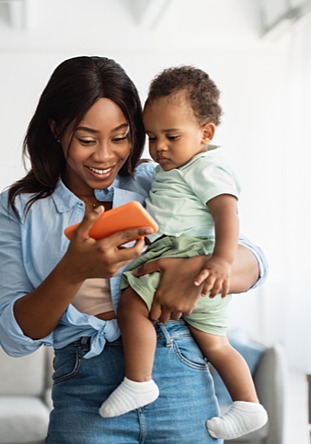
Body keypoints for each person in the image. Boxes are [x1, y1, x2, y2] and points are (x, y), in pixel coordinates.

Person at [0, 56, 268, 443]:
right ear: (55, 129)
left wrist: (194, 274)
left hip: (180, 369)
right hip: (86, 388)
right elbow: (13, 336)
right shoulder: (19, 209)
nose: (105, 156)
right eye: (87, 139)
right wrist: (73, 270)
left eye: (120, 137)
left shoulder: (160, 179)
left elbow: (255, 261)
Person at [98, 66, 268, 440]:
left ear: (206, 133)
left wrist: (220, 262)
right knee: (216, 343)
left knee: (130, 306)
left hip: (188, 251)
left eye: (171, 136)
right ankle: (248, 404)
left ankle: (139, 380)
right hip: (190, 255)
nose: (159, 147)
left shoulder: (205, 168)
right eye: (152, 137)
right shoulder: (169, 169)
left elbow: (227, 214)